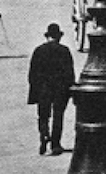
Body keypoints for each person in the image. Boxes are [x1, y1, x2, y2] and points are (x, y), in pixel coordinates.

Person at [27, 23, 75, 156]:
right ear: (59, 37)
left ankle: (44, 135)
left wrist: (34, 89)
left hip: (43, 89)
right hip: (60, 89)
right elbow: (69, 72)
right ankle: (55, 144)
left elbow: (32, 73)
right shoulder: (64, 50)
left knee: (43, 115)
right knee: (58, 115)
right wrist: (70, 88)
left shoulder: (38, 50)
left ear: (47, 36)